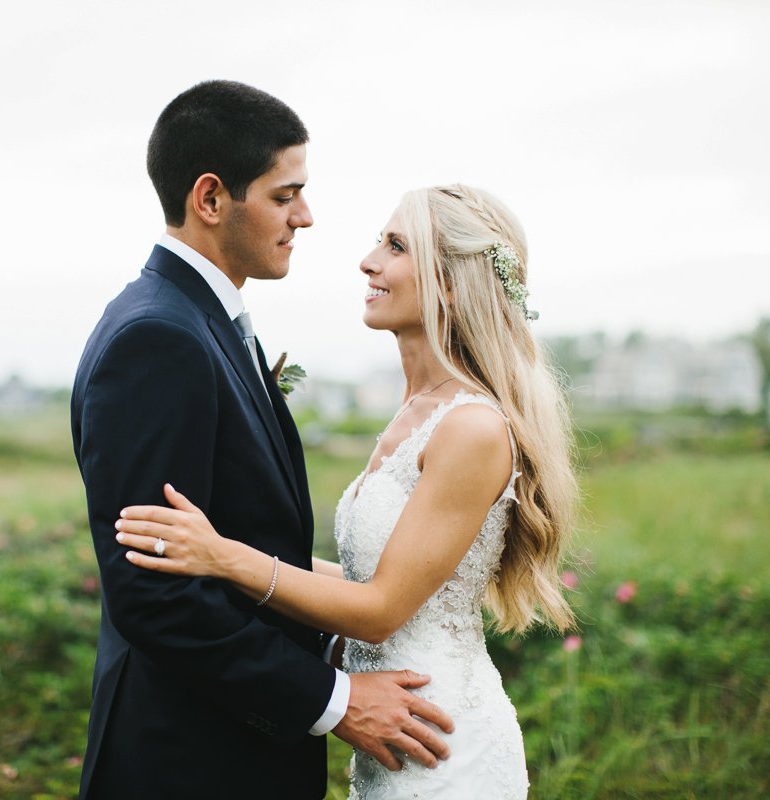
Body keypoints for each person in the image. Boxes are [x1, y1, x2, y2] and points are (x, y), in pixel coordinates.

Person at [115, 183, 579, 799]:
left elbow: (382, 607)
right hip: (393, 735)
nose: (368, 261)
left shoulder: (471, 426)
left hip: (440, 739)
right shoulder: (415, 412)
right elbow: (370, 579)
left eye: (395, 247)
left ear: (449, 280)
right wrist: (214, 547)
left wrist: (226, 558)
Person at [70, 80, 454, 800]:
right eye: (285, 195)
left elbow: (242, 542)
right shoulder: (158, 338)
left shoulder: (198, 322)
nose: (306, 217)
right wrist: (334, 701)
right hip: (189, 762)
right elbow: (156, 596)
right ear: (211, 199)